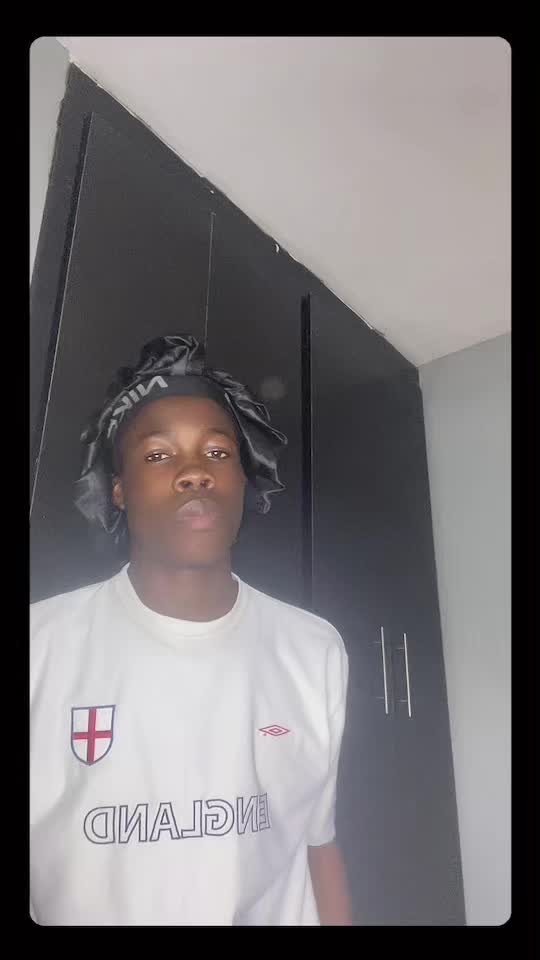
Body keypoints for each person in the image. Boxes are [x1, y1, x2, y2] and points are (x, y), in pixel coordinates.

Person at [30, 334, 351, 926]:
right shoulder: (39, 647)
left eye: (218, 452)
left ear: (244, 479)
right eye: (158, 456)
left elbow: (316, 844)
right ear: (118, 489)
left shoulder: (314, 648)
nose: (195, 473)